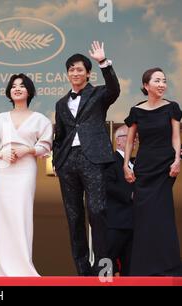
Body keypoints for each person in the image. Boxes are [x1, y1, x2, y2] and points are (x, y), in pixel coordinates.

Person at [52, 41, 120, 276]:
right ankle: (83, 272)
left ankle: (103, 267)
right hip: (68, 162)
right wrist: (57, 162)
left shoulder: (100, 93)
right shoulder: (61, 103)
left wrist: (103, 62)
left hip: (94, 158)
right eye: (71, 69)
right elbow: (59, 135)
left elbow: (114, 89)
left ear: (88, 73)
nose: (75, 73)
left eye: (79, 69)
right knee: (74, 217)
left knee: (98, 210)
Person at [0, 73, 53, 276]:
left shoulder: (40, 119)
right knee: (2, 217)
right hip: (4, 169)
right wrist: (2, 153)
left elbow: (46, 144)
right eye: (13, 86)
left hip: (26, 168)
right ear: (9, 91)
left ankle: (23, 269)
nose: (17, 89)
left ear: (29, 91)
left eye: (22, 86)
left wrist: (29, 150)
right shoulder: (0, 118)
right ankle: (0, 272)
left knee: (21, 215)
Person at [124, 67, 181, 276]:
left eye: (164, 81)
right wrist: (125, 166)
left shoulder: (172, 108)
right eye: (157, 80)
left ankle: (169, 268)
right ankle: (143, 269)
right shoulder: (137, 110)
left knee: (162, 214)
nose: (162, 84)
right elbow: (130, 140)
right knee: (144, 216)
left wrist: (177, 159)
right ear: (146, 85)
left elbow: (176, 136)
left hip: (165, 166)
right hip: (144, 167)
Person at [106, 125, 135, 276]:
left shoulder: (137, 162)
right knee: (107, 260)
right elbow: (107, 185)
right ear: (118, 141)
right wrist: (129, 195)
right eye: (130, 136)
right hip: (116, 222)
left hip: (134, 223)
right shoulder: (110, 160)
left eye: (135, 137)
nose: (134, 140)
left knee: (130, 265)